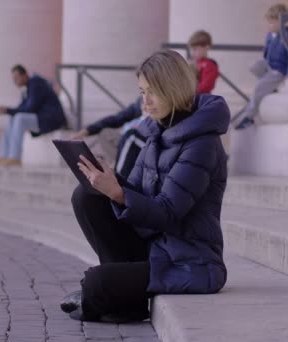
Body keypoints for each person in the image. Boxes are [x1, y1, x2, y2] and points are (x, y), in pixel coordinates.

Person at [61, 50, 230, 323]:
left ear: (172, 89)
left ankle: (116, 296)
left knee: (96, 282)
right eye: (142, 92)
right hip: (153, 246)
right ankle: (120, 297)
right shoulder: (156, 133)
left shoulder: (202, 145)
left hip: (189, 260)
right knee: (86, 196)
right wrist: (112, 180)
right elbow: (138, 193)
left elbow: (167, 212)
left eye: (152, 93)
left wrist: (117, 192)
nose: (146, 102)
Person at [235, 3, 288, 130]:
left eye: (272, 22)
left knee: (259, 87)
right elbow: (266, 52)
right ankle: (269, 84)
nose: (270, 26)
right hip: (269, 66)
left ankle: (249, 117)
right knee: (254, 66)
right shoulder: (270, 36)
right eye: (269, 22)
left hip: (279, 70)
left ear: (281, 22)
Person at [0, 65, 66, 166]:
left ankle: (15, 158)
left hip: (51, 120)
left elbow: (30, 108)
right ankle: (5, 155)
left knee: (19, 118)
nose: (15, 81)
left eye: (16, 78)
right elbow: (22, 108)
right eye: (13, 79)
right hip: (41, 119)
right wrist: (8, 111)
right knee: (11, 117)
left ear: (25, 75)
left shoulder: (36, 83)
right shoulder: (27, 87)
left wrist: (8, 110)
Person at [188, 30, 220, 94]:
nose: (192, 52)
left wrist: (188, 90)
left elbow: (206, 86)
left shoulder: (210, 65)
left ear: (206, 47)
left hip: (202, 99)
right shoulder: (193, 62)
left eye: (195, 49)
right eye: (191, 49)